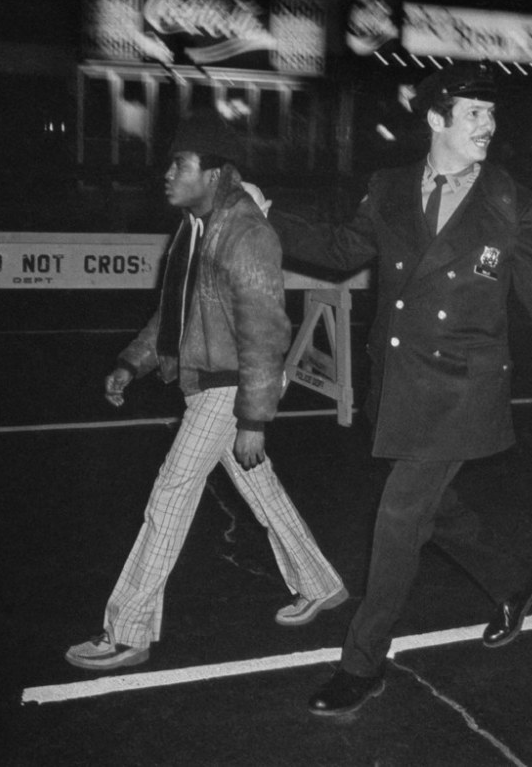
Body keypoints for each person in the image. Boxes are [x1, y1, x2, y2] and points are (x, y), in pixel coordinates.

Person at [268, 62, 532, 714]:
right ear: (435, 119)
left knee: (399, 518)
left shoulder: (510, 202)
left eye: (492, 114)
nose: (489, 125)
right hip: (399, 381)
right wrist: (267, 216)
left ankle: (363, 664)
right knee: (437, 509)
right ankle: (517, 581)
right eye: (474, 113)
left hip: (463, 385)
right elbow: (342, 250)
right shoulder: (390, 188)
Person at [66, 113, 348, 671]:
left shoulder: (245, 233)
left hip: (230, 386)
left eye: (180, 164)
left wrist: (254, 417)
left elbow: (267, 330)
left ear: (215, 172)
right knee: (259, 488)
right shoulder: (196, 228)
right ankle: (319, 582)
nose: (167, 174)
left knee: (169, 496)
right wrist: (133, 362)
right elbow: (175, 313)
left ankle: (128, 631)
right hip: (208, 384)